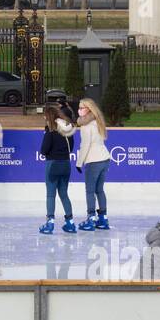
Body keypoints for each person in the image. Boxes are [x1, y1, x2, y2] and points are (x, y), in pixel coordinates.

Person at [38, 103, 77, 234]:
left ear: (48, 117)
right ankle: (70, 222)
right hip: (66, 164)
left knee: (51, 194)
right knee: (64, 194)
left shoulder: (51, 131)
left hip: (53, 165)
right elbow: (71, 148)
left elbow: (43, 150)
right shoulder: (67, 131)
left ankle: (50, 223)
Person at [75, 98, 111, 231]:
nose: (79, 110)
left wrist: (79, 163)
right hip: (105, 158)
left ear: (89, 109)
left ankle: (91, 218)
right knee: (99, 189)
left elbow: (85, 145)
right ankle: (103, 218)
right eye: (79, 107)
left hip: (93, 160)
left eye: (82, 107)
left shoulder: (86, 126)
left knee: (90, 191)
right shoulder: (98, 121)